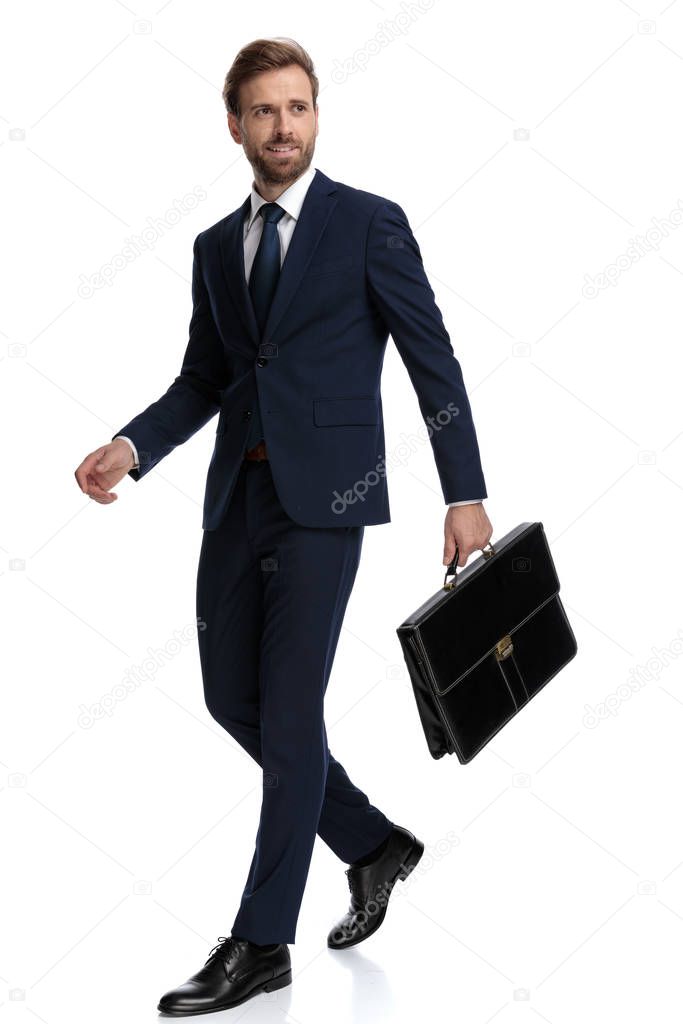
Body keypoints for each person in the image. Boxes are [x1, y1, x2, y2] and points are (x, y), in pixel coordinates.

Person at [74, 36, 493, 1016]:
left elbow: (435, 364)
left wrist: (462, 490)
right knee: (233, 699)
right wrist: (132, 446)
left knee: (290, 706)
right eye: (262, 111)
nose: (281, 126)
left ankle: (261, 942)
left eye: (296, 107)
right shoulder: (215, 247)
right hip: (237, 500)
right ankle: (372, 843)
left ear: (315, 114)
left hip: (330, 502)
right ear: (235, 124)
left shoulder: (367, 224)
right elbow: (205, 379)